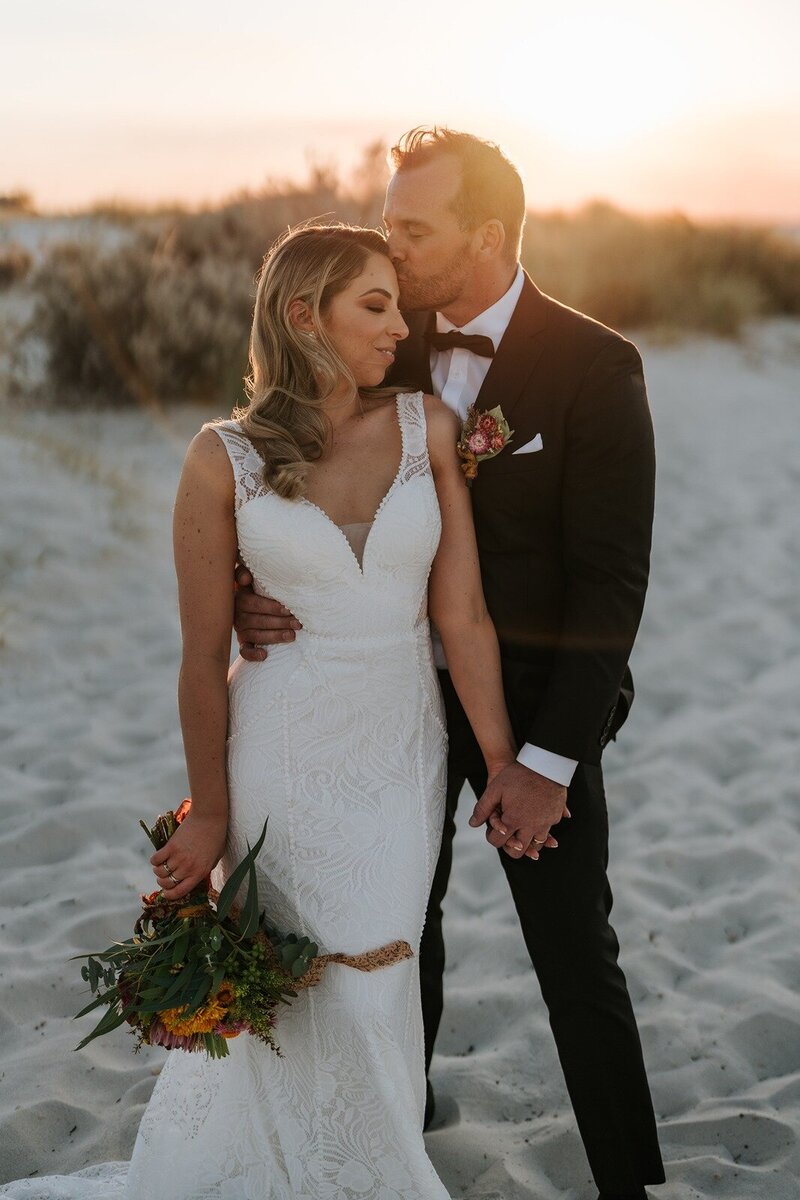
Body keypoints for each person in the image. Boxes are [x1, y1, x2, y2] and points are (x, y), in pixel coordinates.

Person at [0, 224, 556, 1200]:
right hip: (280, 752)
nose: (398, 325)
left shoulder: (425, 427)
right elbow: (199, 655)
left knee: (380, 964)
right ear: (303, 315)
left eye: (397, 301)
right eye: (372, 305)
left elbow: (459, 615)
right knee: (294, 978)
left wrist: (503, 760)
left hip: (400, 748)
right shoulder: (222, 457)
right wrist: (209, 813)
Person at [234, 129, 666, 1200]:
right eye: (385, 221)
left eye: (410, 228)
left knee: (573, 954)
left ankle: (631, 1179)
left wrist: (546, 761)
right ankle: (395, 1158)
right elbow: (283, 477)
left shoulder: (593, 366)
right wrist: (257, 588)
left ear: (482, 234)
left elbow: (610, 582)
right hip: (380, 702)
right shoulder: (376, 341)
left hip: (528, 716)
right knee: (395, 940)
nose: (390, 246)